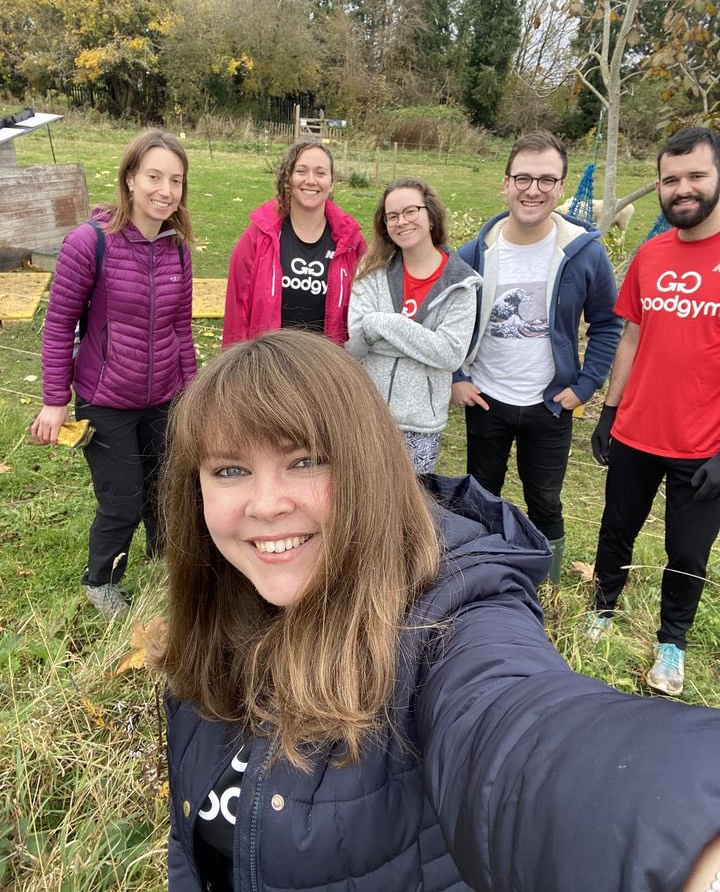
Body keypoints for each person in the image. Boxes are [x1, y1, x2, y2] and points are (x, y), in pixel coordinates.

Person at [154, 329, 720, 892]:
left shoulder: (448, 608)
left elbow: (517, 732)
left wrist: (684, 842)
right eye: (230, 470)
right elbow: (189, 842)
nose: (267, 504)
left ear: (368, 465)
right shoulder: (215, 608)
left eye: (306, 461)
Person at [31, 129, 196, 620]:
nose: (165, 190)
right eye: (154, 176)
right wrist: (55, 398)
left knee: (166, 488)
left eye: (176, 180)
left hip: (164, 396)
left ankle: (164, 562)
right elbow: (59, 324)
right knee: (122, 497)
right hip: (106, 399)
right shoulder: (90, 243)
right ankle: (100, 581)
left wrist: (190, 396)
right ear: (129, 179)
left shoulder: (178, 249)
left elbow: (181, 331)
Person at [451, 130, 622, 582]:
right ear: (505, 183)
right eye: (524, 178)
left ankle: (544, 586)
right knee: (480, 495)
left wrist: (584, 387)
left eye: (547, 180)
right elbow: (448, 321)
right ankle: (480, 579)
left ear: (561, 187)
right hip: (487, 399)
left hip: (549, 404)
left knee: (544, 500)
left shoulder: (584, 254)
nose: (534, 190)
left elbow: (607, 323)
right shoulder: (475, 254)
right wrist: (456, 375)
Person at [587, 127, 720, 695]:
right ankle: (602, 609)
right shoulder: (651, 253)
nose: (682, 188)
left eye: (696, 176)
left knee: (686, 549)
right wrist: (609, 411)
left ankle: (672, 644)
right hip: (638, 429)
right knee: (617, 528)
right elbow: (630, 339)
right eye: (671, 179)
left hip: (703, 444)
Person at [345, 177, 480, 472]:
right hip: (369, 413)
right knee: (363, 503)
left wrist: (380, 324)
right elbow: (357, 333)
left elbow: (450, 353)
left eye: (410, 211)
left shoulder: (460, 283)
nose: (401, 221)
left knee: (410, 507)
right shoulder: (372, 270)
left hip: (421, 424)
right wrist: (423, 343)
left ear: (430, 216)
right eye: (392, 216)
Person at [222, 136, 366, 346]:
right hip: (269, 368)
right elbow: (237, 311)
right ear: (288, 178)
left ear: (331, 182)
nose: (310, 180)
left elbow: (364, 314)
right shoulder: (259, 236)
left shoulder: (352, 243)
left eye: (320, 173)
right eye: (301, 171)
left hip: (326, 370)